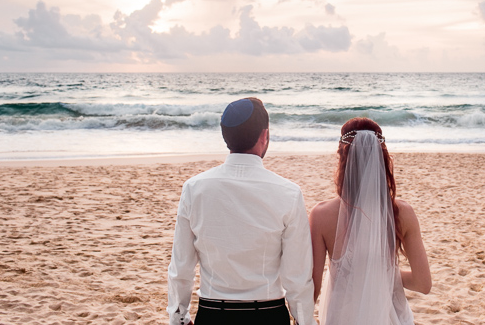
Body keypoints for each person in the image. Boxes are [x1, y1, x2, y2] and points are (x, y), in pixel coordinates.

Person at [167, 97, 315, 325]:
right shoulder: (288, 193)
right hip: (268, 314)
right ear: (264, 135)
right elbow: (297, 277)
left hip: (213, 313)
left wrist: (179, 318)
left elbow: (181, 268)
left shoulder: (194, 189)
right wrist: (304, 322)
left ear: (226, 136)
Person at [309, 118, 431, 325]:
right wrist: (380, 274)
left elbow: (313, 288)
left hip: (342, 318)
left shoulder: (321, 215)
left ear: (342, 159)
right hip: (389, 317)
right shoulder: (403, 213)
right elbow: (423, 284)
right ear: (381, 159)